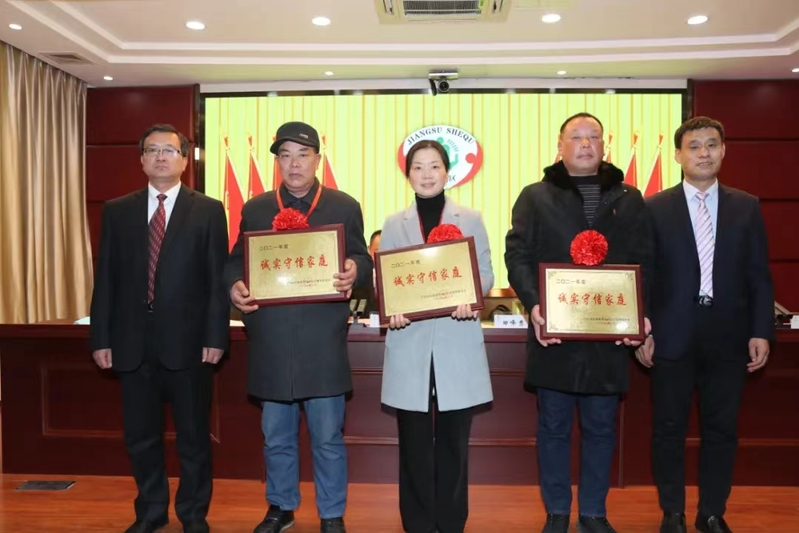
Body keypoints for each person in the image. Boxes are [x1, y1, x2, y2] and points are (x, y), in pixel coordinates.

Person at [504, 113, 653, 533]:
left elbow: (646, 259)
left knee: (601, 427)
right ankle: (556, 511)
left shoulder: (629, 197)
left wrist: (641, 312)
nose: (586, 144)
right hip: (555, 334)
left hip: (608, 336)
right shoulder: (535, 196)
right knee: (553, 426)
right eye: (577, 137)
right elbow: (518, 255)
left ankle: (593, 512)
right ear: (560, 146)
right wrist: (534, 304)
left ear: (605, 146)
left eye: (594, 137)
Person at [224, 121, 372, 533]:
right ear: (277, 162)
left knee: (327, 437)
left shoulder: (343, 206)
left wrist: (355, 269)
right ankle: (281, 507)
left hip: (322, 342)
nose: (294, 164)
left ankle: (331, 514)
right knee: (276, 436)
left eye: (303, 155)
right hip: (271, 340)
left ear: (317, 160)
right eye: (285, 156)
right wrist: (233, 285)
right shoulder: (256, 208)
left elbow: (363, 258)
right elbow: (235, 260)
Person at [636, 117, 774, 533]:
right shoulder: (653, 207)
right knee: (668, 429)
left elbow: (758, 275)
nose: (703, 153)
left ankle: (712, 512)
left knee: (721, 430)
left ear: (723, 150)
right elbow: (644, 274)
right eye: (694, 146)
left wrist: (761, 330)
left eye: (711, 145)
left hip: (729, 334)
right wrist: (642, 330)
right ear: (678, 155)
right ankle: (673, 512)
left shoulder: (746, 206)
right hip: (671, 333)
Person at [90, 124, 229, 533]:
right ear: (141, 160)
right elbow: (106, 279)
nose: (161, 157)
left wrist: (215, 336)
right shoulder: (118, 210)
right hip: (131, 344)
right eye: (152, 150)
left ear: (185, 159)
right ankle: (150, 513)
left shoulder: (208, 210)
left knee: (193, 439)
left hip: (189, 345)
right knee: (141, 438)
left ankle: (192, 515)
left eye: (169, 150)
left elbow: (217, 279)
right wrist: (101, 338)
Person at [379, 139, 494, 533]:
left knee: (453, 443)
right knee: (412, 443)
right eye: (418, 167)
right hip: (409, 341)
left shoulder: (471, 218)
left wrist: (471, 298)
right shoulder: (394, 224)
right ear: (407, 174)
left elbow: (485, 273)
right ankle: (416, 524)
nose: (426, 174)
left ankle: (450, 522)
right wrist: (391, 306)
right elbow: (386, 279)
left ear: (447, 172)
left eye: (434, 166)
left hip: (455, 341)